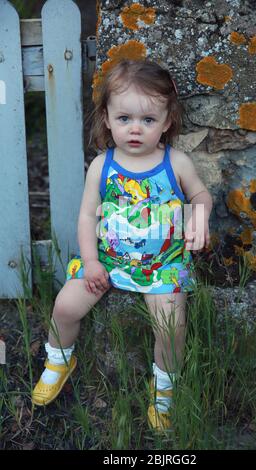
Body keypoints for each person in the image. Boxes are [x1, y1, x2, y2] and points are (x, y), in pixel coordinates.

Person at [32, 59, 213, 431]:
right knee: (65, 306)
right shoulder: (102, 165)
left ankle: (164, 388)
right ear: (107, 118)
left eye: (148, 120)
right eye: (124, 118)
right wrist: (91, 261)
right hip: (110, 261)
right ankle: (59, 358)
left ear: (166, 121)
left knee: (170, 324)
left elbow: (201, 195)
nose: (135, 129)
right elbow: (86, 216)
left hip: (162, 262)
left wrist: (199, 217)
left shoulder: (174, 162)